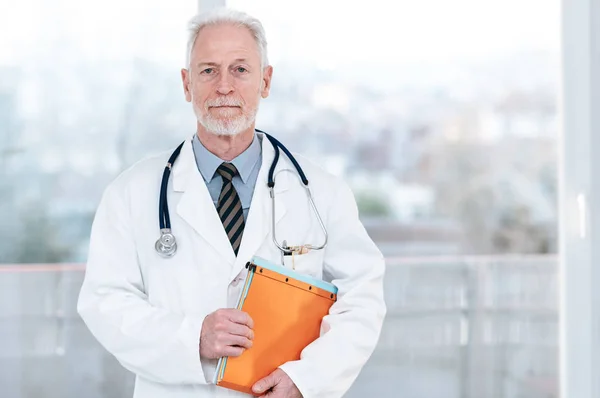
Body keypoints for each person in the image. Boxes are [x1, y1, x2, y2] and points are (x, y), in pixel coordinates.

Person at [77, 7, 386, 398]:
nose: (224, 86)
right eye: (208, 70)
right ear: (187, 84)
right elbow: (104, 303)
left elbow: (363, 296)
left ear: (266, 81)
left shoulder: (321, 191)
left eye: (240, 69)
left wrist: (309, 378)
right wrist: (194, 339)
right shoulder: (131, 193)